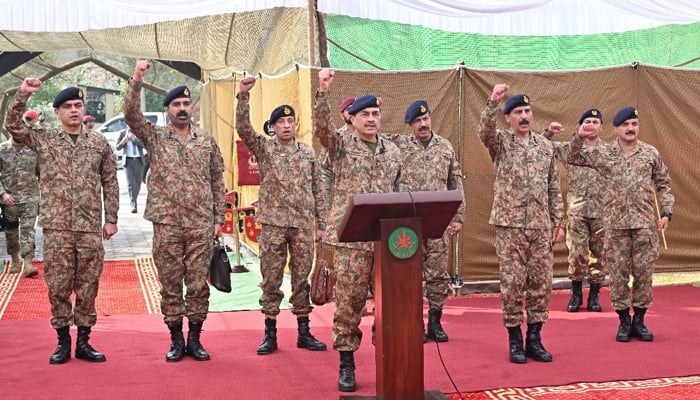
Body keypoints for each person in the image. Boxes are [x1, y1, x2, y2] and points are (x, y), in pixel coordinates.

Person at [4, 79, 119, 365]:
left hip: (90, 227)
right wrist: (22, 95)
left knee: (88, 284)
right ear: (57, 112)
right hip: (56, 227)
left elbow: (110, 181)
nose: (74, 110)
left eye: (78, 106)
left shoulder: (98, 142)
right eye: (67, 107)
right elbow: (12, 124)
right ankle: (62, 342)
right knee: (57, 285)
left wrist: (112, 218)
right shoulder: (44, 138)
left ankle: (83, 341)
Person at [124, 60, 226, 362]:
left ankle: (195, 339)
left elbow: (217, 179)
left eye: (186, 103)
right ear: (167, 110)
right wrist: (137, 78)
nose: (183, 108)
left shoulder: (205, 140)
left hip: (200, 224)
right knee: (170, 284)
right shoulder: (155, 137)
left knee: (197, 285)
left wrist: (218, 218)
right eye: (176, 104)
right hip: (166, 224)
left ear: (191, 109)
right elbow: (131, 114)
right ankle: (175, 339)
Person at [314, 68, 407, 392]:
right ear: (351, 119)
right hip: (352, 240)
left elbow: (403, 192)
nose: (371, 118)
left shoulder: (393, 151)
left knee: (390, 303)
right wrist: (323, 92)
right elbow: (322, 129)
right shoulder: (339, 146)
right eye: (364, 114)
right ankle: (347, 363)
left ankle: (389, 355)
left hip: (386, 242)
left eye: (375, 113)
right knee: (349, 302)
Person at [235, 77, 327, 356]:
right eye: (281, 122)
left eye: (291, 121)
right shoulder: (265, 149)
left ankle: (303, 331)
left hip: (301, 224)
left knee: (301, 278)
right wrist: (243, 97)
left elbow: (318, 189)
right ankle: (270, 332)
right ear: (273, 127)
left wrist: (321, 224)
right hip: (274, 224)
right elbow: (243, 129)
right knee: (271, 278)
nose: (287, 126)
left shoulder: (307, 153)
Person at [568, 106, 673, 343]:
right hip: (615, 227)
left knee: (644, 275)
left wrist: (666, 211)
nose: (630, 128)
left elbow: (664, 183)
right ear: (616, 129)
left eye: (634, 124)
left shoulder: (649, 153)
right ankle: (624, 321)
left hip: (645, 226)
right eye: (625, 125)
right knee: (618, 276)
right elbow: (573, 157)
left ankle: (640, 321)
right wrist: (580, 136)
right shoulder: (605, 154)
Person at [478, 85, 565, 364]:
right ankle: (515, 340)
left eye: (527, 111)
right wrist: (493, 101)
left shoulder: (544, 147)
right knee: (513, 284)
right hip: (510, 226)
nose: (524, 116)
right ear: (509, 118)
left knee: (541, 284)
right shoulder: (501, 143)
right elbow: (484, 131)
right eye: (517, 112)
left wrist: (558, 221)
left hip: (540, 227)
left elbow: (554, 186)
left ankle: (535, 339)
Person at [383, 100, 464, 342]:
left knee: (438, 275)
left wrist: (457, 216)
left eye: (426, 118)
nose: (423, 124)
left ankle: (435, 322)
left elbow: (455, 182)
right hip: (409, 222)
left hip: (438, 222)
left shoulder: (445, 147)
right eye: (418, 121)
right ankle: (414, 322)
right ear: (410, 125)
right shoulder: (398, 146)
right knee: (410, 275)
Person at [543, 109, 607, 312]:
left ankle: (595, 296)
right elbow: (542, 148)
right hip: (577, 211)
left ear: (601, 126)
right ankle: (577, 294)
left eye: (595, 121)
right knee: (577, 255)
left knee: (599, 256)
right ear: (580, 126)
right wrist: (549, 132)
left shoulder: (610, 151)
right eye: (587, 121)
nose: (590, 124)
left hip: (602, 213)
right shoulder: (570, 148)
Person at [0, 133, 40, 278]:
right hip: (9, 200)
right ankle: (15, 259)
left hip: (30, 197)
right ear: (10, 132)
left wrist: (42, 196)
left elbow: (43, 173)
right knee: (11, 233)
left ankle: (28, 263)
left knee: (28, 230)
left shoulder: (33, 150)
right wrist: (3, 194)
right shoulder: (2, 149)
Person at [116, 127, 145, 213]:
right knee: (130, 183)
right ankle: (133, 204)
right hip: (128, 161)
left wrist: (134, 139)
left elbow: (144, 145)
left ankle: (134, 198)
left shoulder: (139, 132)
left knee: (138, 183)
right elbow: (117, 147)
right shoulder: (122, 133)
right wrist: (123, 141)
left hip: (139, 160)